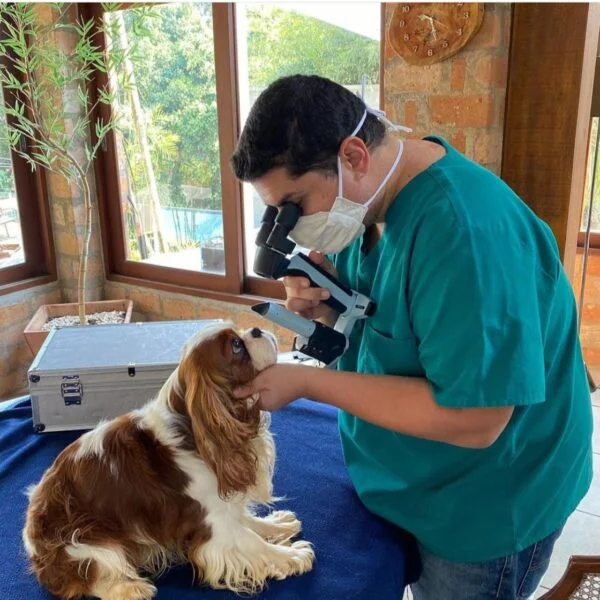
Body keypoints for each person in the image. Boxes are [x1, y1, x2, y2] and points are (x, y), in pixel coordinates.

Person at [230, 74, 594, 600]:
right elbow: (393, 327)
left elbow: (476, 419)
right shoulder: (366, 208)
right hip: (408, 479)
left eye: (295, 203)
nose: (293, 225)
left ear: (353, 155)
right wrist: (329, 310)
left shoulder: (465, 232)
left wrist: (307, 384)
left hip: (484, 505)